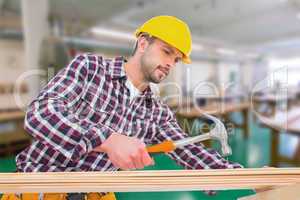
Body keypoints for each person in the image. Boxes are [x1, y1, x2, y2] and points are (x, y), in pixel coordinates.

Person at [8, 15, 242, 200]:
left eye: (177, 59)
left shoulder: (156, 111)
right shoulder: (90, 68)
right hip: (39, 188)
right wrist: (107, 140)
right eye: (167, 51)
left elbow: (187, 150)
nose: (171, 63)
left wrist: (237, 174)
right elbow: (40, 113)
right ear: (143, 43)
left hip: (95, 194)